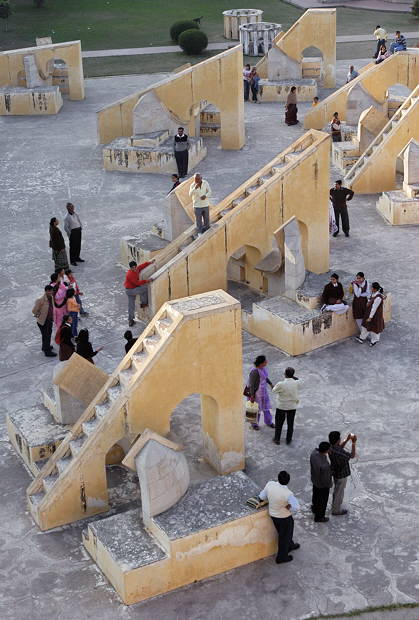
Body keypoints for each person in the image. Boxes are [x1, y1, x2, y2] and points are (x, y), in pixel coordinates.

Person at [258, 471, 300, 564]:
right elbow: (296, 507)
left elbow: (261, 496)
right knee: (284, 536)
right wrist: (289, 508)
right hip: (284, 517)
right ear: (288, 481)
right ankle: (282, 557)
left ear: (278, 477)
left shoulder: (270, 484)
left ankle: (290, 545)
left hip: (273, 515)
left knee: (284, 534)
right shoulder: (288, 493)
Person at [328, 431, 357, 516]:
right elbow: (352, 455)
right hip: (341, 474)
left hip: (335, 471)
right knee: (339, 491)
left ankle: (335, 505)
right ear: (337, 440)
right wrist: (353, 443)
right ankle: (336, 510)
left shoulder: (331, 447)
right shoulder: (338, 451)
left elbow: (339, 447)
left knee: (338, 490)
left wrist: (347, 439)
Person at [246, 355, 275, 431]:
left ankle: (268, 422)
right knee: (255, 409)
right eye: (265, 361)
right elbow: (251, 385)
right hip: (256, 394)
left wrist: (271, 384)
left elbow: (265, 377)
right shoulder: (255, 371)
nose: (267, 362)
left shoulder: (263, 369)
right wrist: (252, 396)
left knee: (266, 407)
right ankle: (254, 424)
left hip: (263, 392)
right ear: (261, 363)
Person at [272, 367, 300, 445]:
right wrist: (292, 377)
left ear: (285, 374)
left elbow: (273, 390)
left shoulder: (281, 384)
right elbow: (298, 380)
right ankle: (288, 439)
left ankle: (277, 439)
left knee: (279, 423)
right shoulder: (296, 382)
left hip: (282, 406)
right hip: (292, 406)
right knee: (290, 424)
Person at [124, 259, 155, 326]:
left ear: (136, 266)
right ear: (130, 268)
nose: (134, 269)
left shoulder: (137, 269)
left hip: (130, 289)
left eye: (135, 267)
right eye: (132, 268)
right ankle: (144, 303)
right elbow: (137, 283)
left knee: (131, 305)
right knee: (144, 289)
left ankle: (130, 320)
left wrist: (149, 262)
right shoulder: (130, 274)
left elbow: (142, 266)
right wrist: (147, 280)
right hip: (131, 290)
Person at [355, 282, 385, 347]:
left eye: (372, 288)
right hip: (369, 313)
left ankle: (374, 340)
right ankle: (362, 337)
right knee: (365, 326)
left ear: (375, 289)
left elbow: (374, 308)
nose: (371, 289)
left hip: (375, 315)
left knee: (374, 328)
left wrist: (370, 317)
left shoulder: (378, 298)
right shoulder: (374, 294)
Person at [32, 285, 57, 357]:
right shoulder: (40, 300)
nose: (51, 292)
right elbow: (34, 311)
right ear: (46, 291)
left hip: (49, 319)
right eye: (49, 291)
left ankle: (45, 346)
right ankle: (47, 351)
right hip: (43, 321)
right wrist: (40, 316)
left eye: (51, 291)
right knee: (46, 336)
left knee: (48, 334)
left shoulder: (51, 297)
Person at [310, 442, 332, 523]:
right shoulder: (325, 465)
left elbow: (316, 449)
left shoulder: (313, 454)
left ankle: (314, 508)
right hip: (322, 485)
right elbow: (326, 479)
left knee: (315, 496)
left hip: (315, 480)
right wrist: (329, 484)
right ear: (326, 450)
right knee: (322, 501)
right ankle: (319, 517)